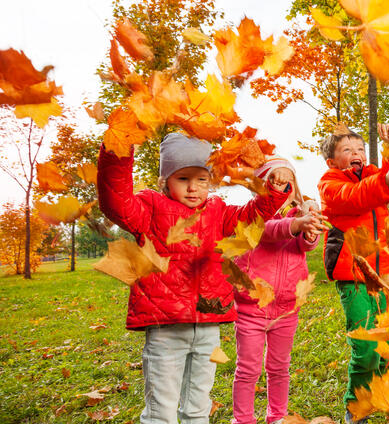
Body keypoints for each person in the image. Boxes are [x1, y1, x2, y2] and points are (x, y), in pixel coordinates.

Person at [97, 132, 289, 424]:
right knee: (162, 408)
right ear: (165, 180)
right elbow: (116, 202)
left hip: (208, 326)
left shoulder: (218, 212)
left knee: (198, 405)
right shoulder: (148, 208)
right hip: (165, 329)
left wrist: (274, 191)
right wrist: (118, 148)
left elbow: (252, 217)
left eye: (202, 179)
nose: (193, 188)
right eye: (183, 178)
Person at [317, 126, 389, 424]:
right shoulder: (329, 184)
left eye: (360, 149)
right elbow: (357, 197)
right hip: (353, 274)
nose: (356, 154)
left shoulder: (371, 174)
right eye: (347, 150)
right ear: (332, 161)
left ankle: (380, 396)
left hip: (384, 275)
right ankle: (356, 407)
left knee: (384, 345)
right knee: (366, 345)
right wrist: (387, 176)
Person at [231, 156, 328, 424]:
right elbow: (269, 232)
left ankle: (277, 417)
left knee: (279, 368)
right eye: (274, 183)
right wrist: (296, 225)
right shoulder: (252, 217)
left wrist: (309, 233)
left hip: (286, 307)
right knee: (248, 368)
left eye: (288, 183)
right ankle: (243, 420)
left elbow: (304, 246)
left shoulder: (300, 214)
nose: (282, 188)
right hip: (252, 308)